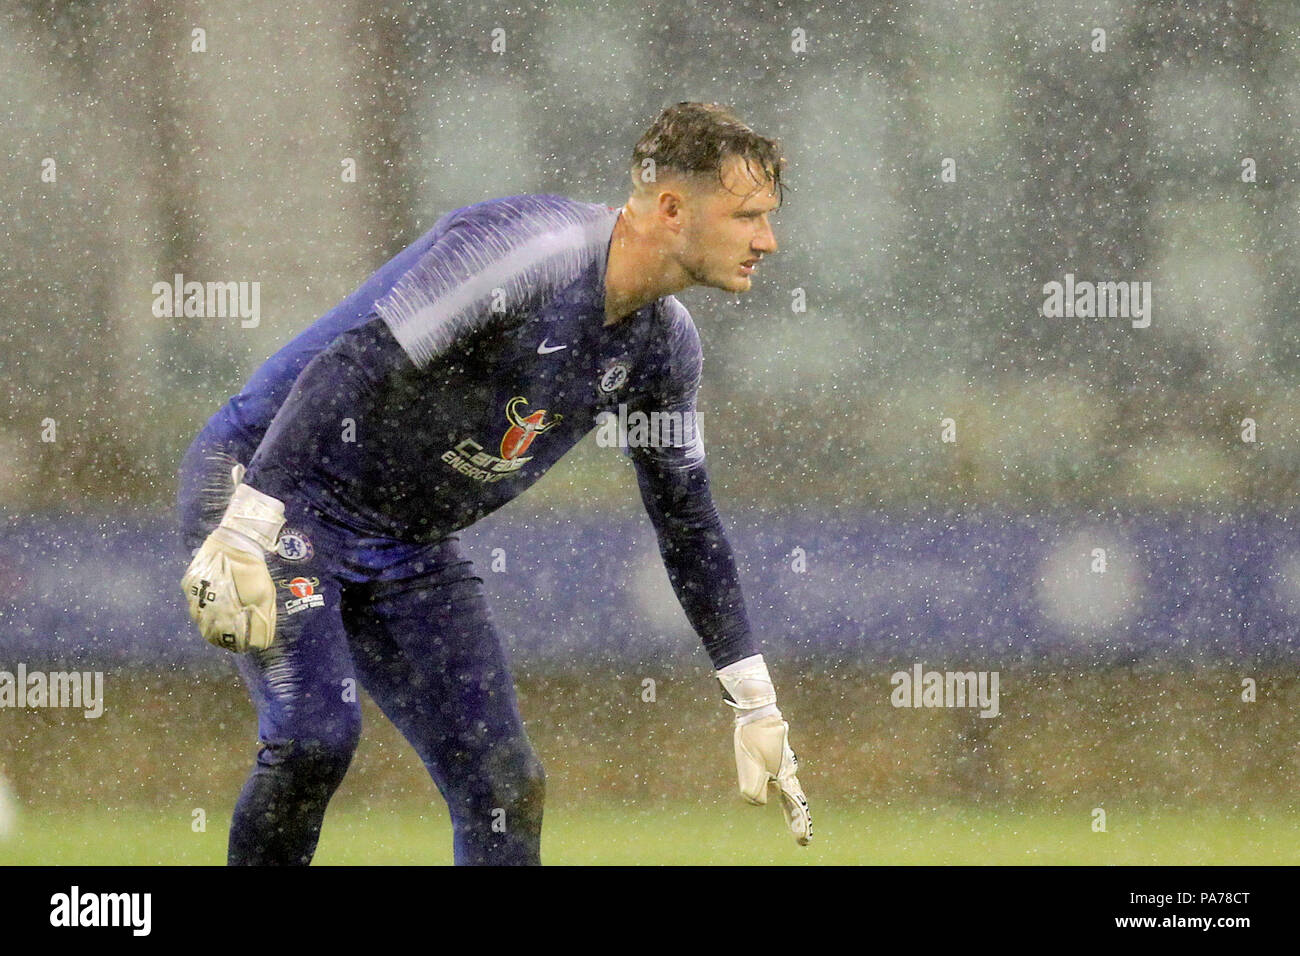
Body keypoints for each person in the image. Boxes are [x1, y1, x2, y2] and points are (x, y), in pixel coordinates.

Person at [178, 101, 811, 865]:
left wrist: (753, 699)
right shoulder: (529, 250)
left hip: (405, 542)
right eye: (748, 216)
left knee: (504, 784)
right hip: (275, 483)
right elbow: (353, 363)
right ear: (672, 208)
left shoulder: (666, 350)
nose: (767, 241)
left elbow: (685, 518)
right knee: (315, 738)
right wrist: (247, 519)